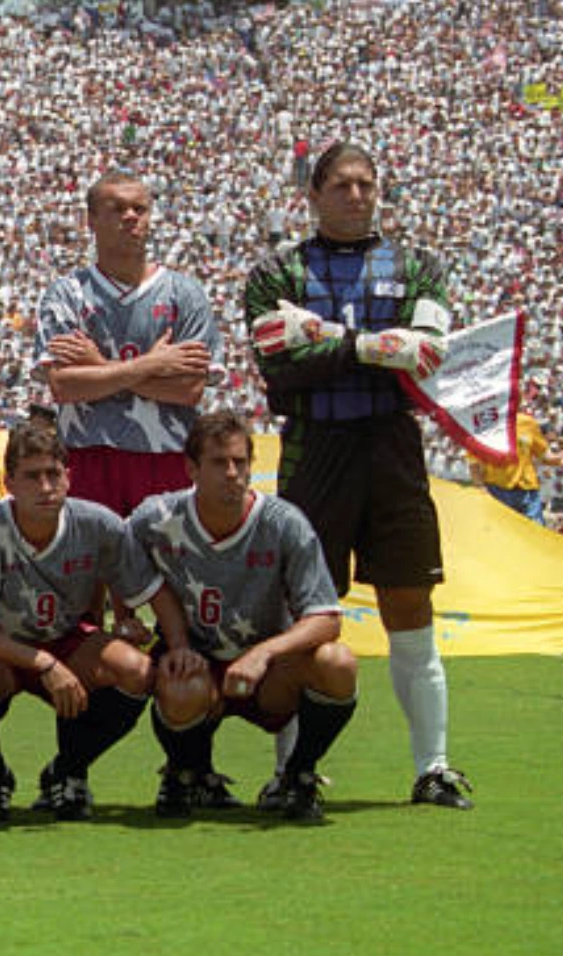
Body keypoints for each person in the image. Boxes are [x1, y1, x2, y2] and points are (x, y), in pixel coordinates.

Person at [245, 141, 473, 809]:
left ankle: (433, 766)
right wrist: (378, 346)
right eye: (341, 184)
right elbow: (277, 358)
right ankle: (293, 770)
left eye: (366, 184)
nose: (355, 195)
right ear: (312, 195)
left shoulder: (418, 265)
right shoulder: (277, 272)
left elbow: (428, 354)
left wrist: (326, 337)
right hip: (313, 449)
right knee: (305, 614)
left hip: (393, 452)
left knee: (410, 605)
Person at [128, 411, 357, 821]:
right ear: (192, 469)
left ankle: (298, 775)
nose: (232, 473)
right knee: (179, 684)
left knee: (337, 663)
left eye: (240, 462)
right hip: (197, 665)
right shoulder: (155, 518)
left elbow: (326, 618)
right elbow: (114, 560)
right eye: (219, 463)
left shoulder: (284, 523)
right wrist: (130, 617)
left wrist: (264, 653)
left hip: (268, 675)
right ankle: (190, 773)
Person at [0, 419, 166, 822]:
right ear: (8, 483)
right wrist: (43, 663)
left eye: (53, 474)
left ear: (69, 477)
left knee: (135, 670)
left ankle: (67, 772)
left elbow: (134, 582)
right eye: (32, 476)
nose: (45, 487)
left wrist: (131, 621)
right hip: (3, 646)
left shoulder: (99, 523)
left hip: (67, 639)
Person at [33, 171, 221, 520]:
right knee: (93, 571)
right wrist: (152, 365)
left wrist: (99, 365)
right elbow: (64, 386)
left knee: (165, 570)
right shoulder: (67, 294)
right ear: (91, 220)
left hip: (167, 454)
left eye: (139, 208)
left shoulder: (185, 294)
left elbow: (191, 389)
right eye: (117, 208)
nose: (131, 217)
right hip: (87, 454)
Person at [468, 378, 560, 525]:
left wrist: (559, 458)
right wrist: (480, 487)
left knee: (534, 536)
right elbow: (474, 463)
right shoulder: (484, 425)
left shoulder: (528, 423)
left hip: (528, 492)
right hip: (497, 492)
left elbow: (545, 456)